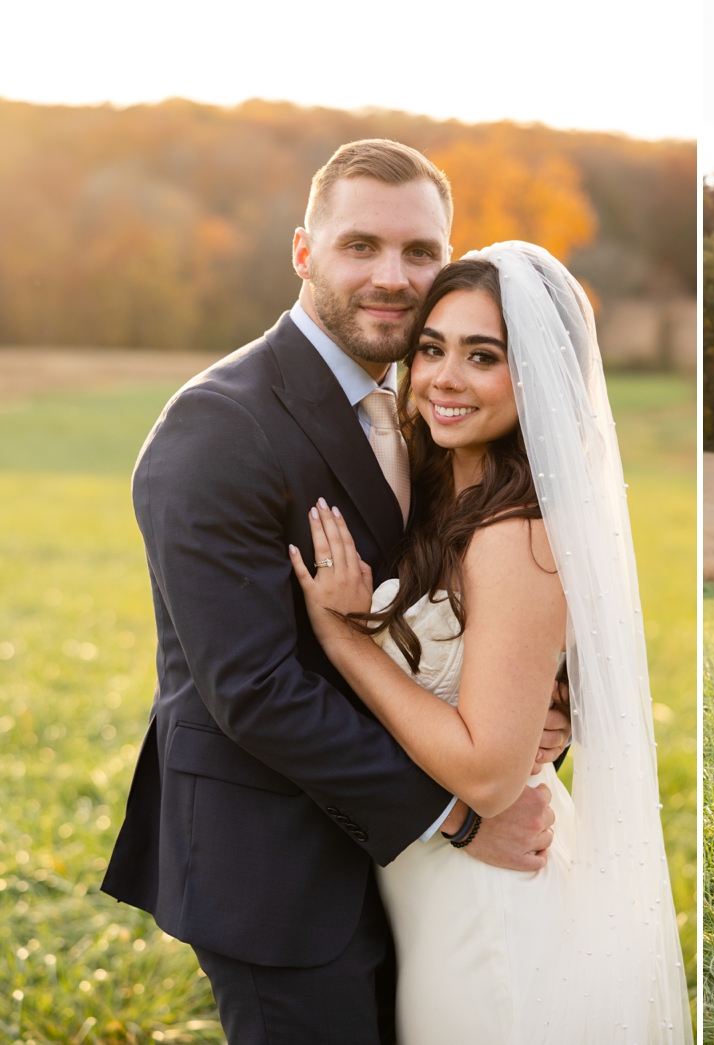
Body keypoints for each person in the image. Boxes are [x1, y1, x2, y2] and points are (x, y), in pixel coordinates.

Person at [102, 140, 567, 1043]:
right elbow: (253, 688)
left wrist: (545, 704)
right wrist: (459, 815)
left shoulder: (431, 414)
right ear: (304, 251)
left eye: (419, 252)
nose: (393, 276)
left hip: (414, 869)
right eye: (361, 245)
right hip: (278, 867)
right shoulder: (220, 426)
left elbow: (486, 601)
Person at [290, 245, 691, 1042]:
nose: (443, 377)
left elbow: (486, 769)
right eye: (432, 347)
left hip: (487, 911)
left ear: (538, 378)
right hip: (435, 895)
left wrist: (344, 638)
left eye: (483, 357)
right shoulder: (445, 491)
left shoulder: (519, 535)